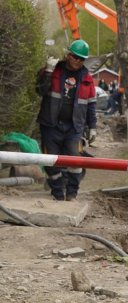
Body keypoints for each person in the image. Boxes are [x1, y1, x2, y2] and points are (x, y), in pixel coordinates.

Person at [37, 39, 97, 201]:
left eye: (81, 59)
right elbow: (40, 91)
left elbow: (91, 105)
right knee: (50, 160)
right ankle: (57, 194)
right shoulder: (54, 70)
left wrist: (93, 127)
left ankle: (72, 193)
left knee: (75, 160)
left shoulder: (87, 79)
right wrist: (48, 72)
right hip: (50, 125)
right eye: (75, 56)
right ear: (68, 55)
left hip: (74, 127)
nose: (77, 61)